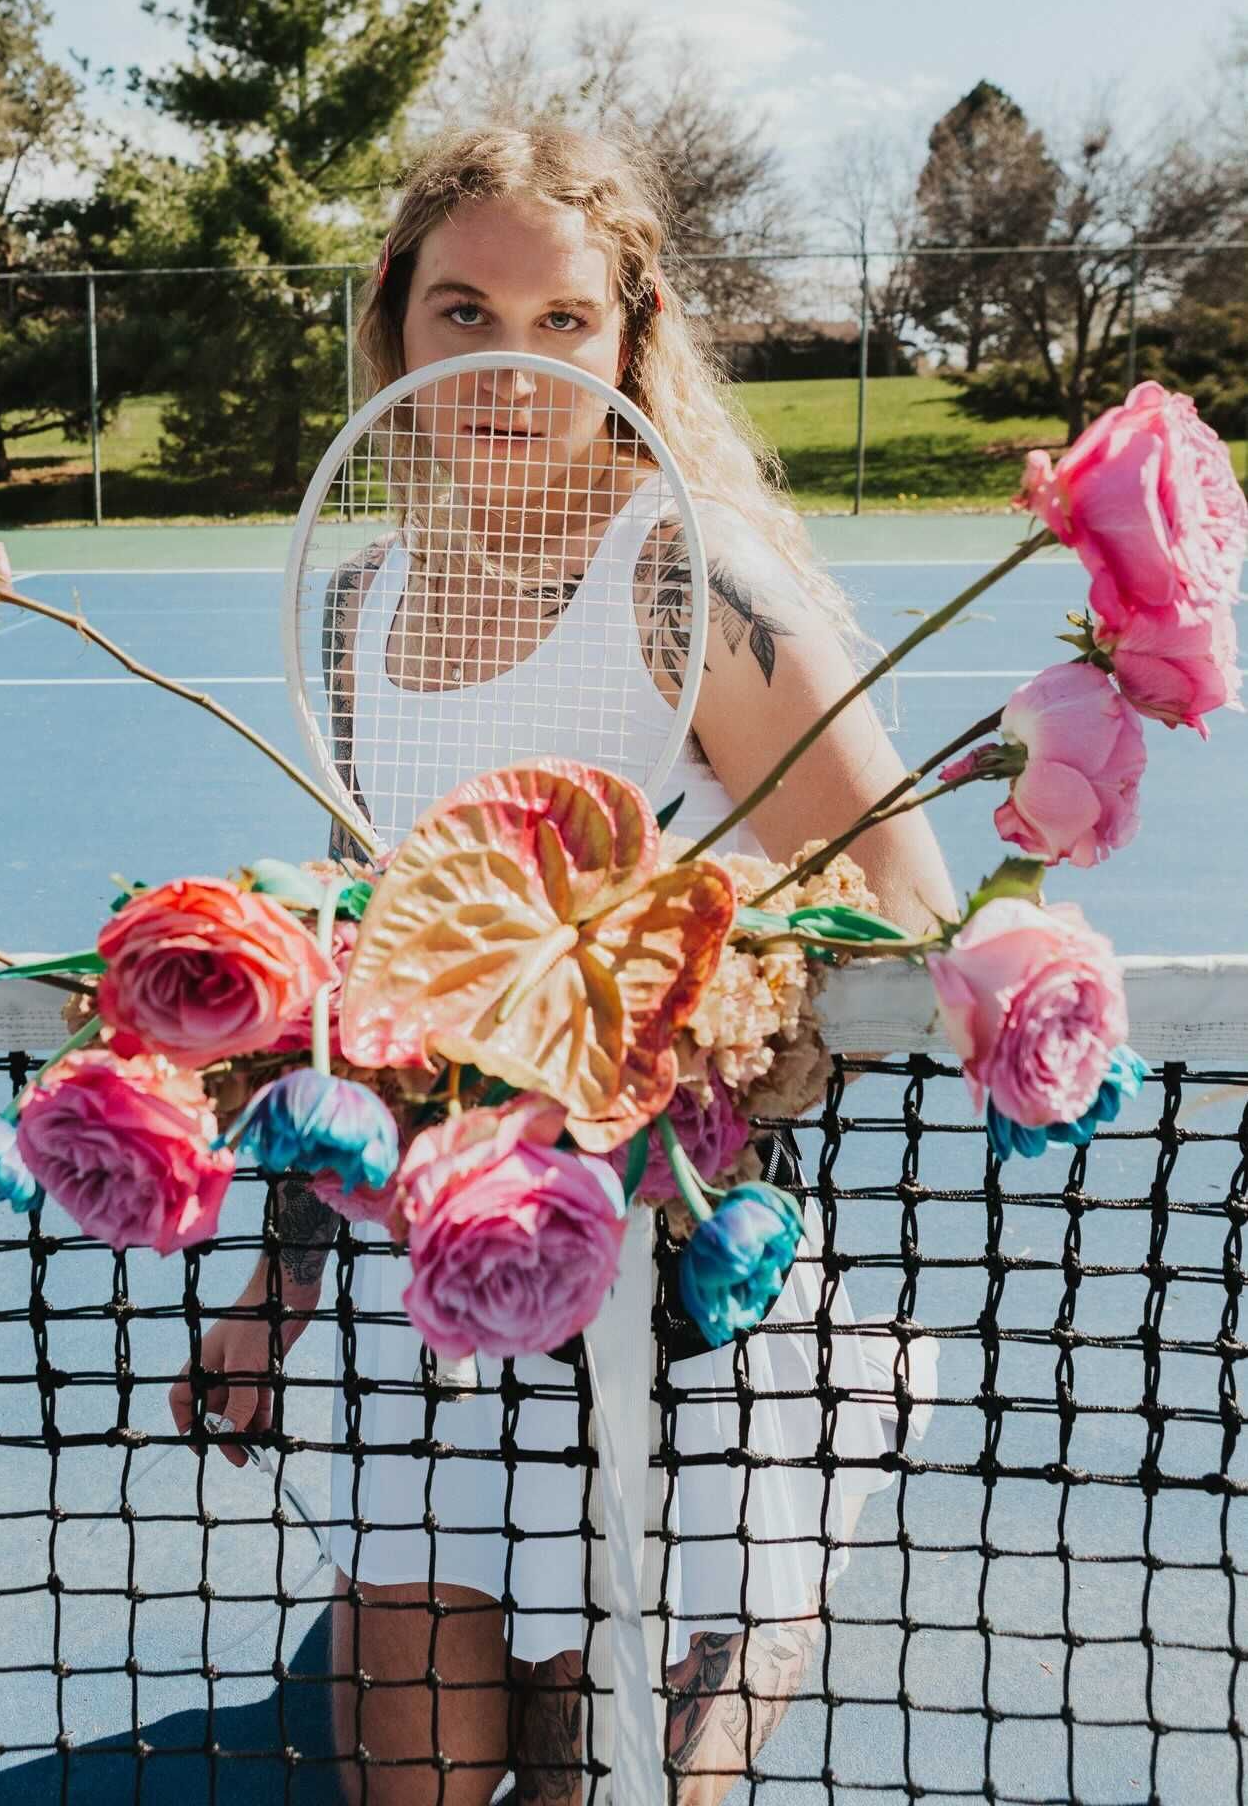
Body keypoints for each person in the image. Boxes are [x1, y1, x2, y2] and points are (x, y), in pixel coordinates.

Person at [171, 121, 956, 1805]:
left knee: (611, 1790)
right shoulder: (362, 605)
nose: (511, 368)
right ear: (393, 323)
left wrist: (672, 990)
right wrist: (277, 1288)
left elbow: (904, 897)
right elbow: (370, 994)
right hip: (432, 1298)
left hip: (660, 1289)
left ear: (628, 336)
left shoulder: (688, 584)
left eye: (562, 321)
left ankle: (761, 1611)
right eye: (464, 312)